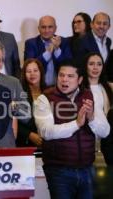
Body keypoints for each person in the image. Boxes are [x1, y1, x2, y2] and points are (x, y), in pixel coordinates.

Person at [34, 60, 110, 199]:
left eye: (70, 76)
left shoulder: (89, 96)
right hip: (59, 171)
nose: (64, 79)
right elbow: (46, 132)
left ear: (80, 79)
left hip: (87, 169)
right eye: (61, 75)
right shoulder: (44, 98)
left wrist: (92, 118)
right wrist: (76, 124)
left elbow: (105, 131)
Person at [82, 52, 113, 165]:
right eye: (91, 64)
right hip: (86, 142)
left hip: (107, 143)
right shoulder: (78, 88)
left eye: (99, 64)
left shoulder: (110, 87)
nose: (95, 67)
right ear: (85, 66)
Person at [24, 15, 72, 86]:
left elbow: (69, 65)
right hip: (39, 87)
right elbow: (30, 66)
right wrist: (48, 52)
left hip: (60, 87)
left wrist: (57, 49)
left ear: (55, 28)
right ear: (38, 28)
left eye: (50, 27)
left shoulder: (64, 42)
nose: (46, 30)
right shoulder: (30, 43)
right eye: (43, 27)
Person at [16, 58, 46, 147]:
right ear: (24, 75)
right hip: (25, 142)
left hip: (47, 141)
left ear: (41, 72)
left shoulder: (49, 91)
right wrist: (29, 134)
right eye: (28, 71)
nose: (32, 74)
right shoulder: (19, 94)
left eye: (35, 70)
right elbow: (15, 120)